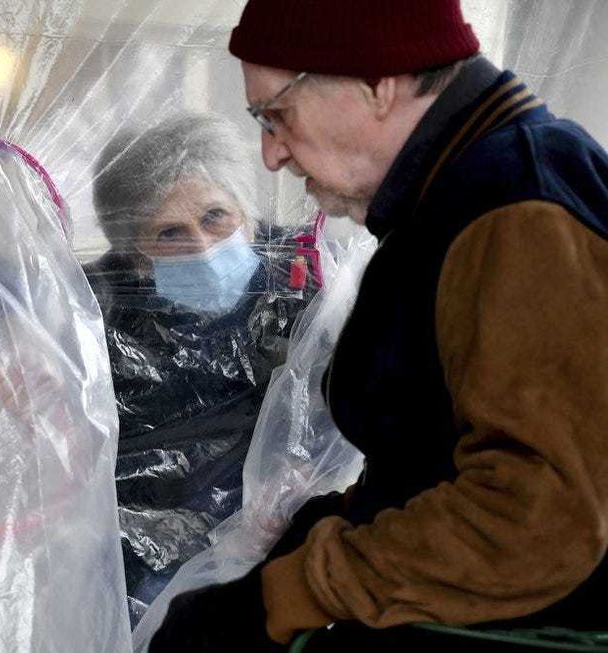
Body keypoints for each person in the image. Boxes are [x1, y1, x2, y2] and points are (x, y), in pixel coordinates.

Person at [150, 1, 608, 651]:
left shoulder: (519, 209)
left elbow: (536, 518)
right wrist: (324, 527)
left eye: (276, 114)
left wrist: (287, 594)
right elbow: (437, 454)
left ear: (378, 81)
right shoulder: (457, 196)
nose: (270, 154)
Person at [85, 114, 323, 624]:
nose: (202, 245)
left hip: (287, 540)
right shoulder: (99, 305)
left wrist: (302, 475)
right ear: (134, 256)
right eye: (169, 232)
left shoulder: (306, 275)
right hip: (149, 554)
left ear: (247, 213)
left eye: (216, 216)